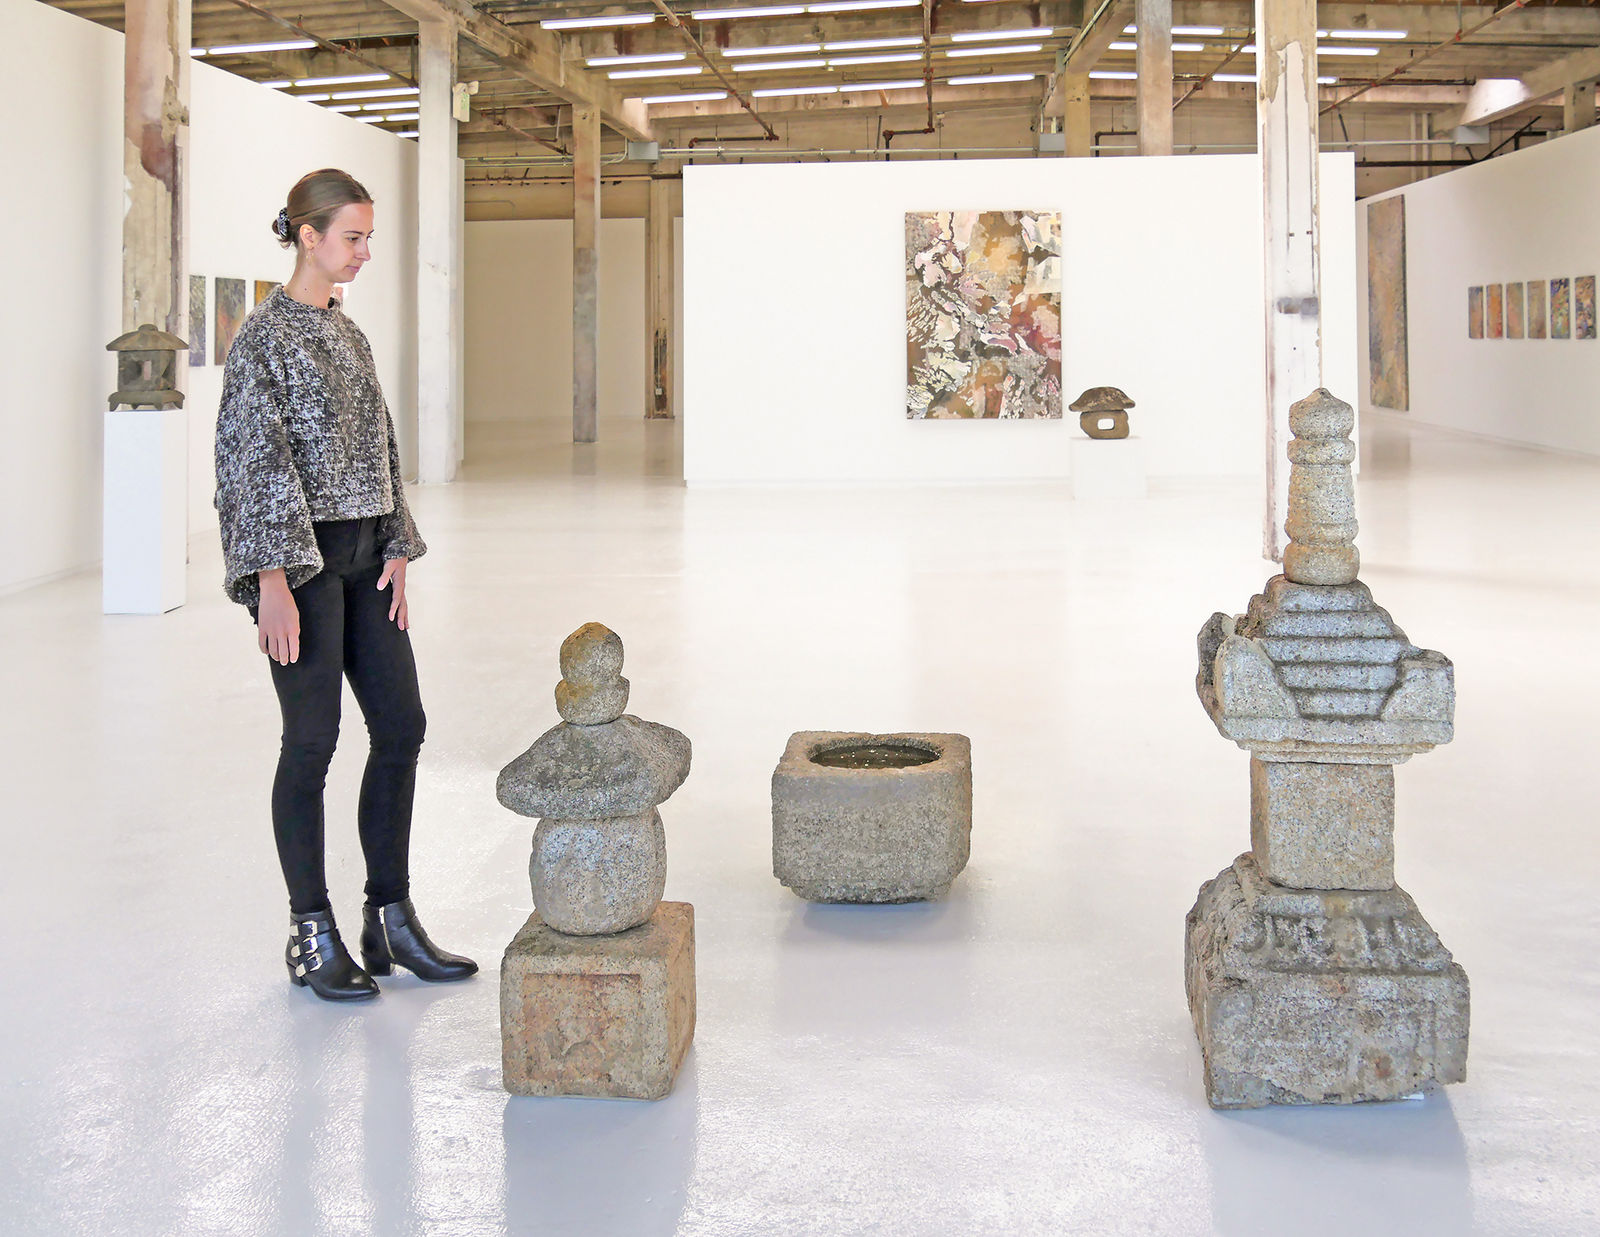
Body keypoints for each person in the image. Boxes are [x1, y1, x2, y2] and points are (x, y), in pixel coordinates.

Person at [214, 168, 476, 1001]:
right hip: (302, 566)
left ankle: (389, 917)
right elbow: (251, 462)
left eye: (367, 237)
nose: (365, 252)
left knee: (401, 725)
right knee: (312, 740)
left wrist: (396, 541)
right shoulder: (263, 338)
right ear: (308, 236)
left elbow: (380, 443)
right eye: (353, 237)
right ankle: (311, 931)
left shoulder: (347, 332)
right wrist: (271, 580)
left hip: (368, 562)